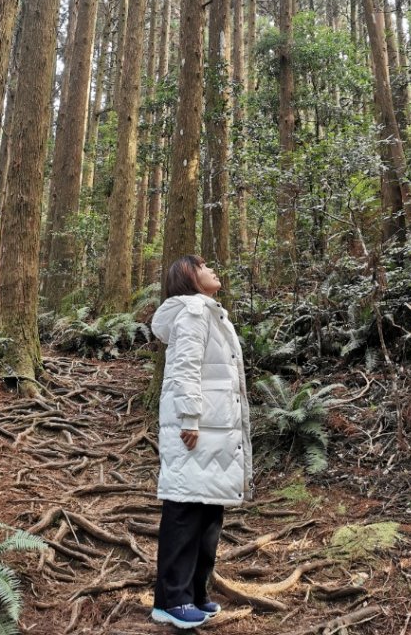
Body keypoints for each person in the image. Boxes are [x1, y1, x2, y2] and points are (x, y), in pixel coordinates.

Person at [150, 255, 252, 629]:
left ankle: (194, 594)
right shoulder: (194, 311)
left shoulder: (210, 312)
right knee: (185, 511)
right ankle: (171, 600)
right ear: (190, 277)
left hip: (215, 428)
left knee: (209, 511)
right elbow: (184, 367)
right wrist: (190, 417)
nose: (214, 269)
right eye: (205, 266)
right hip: (196, 428)